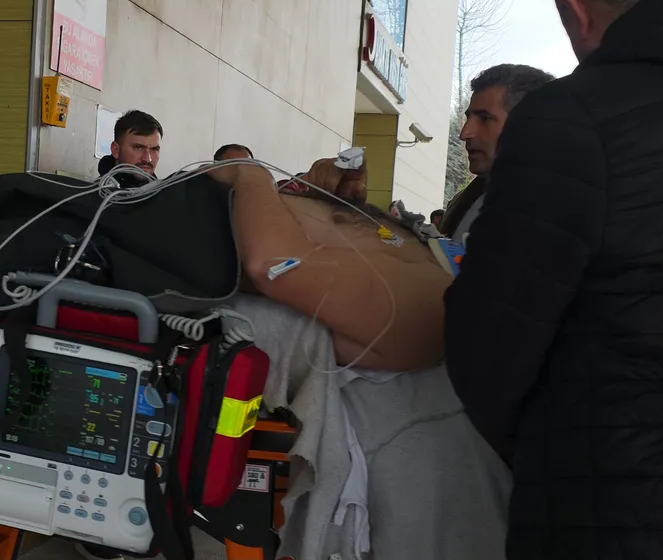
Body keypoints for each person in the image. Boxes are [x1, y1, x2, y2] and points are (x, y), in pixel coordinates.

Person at [445, 0, 663, 558]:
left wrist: (545, 450)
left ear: (574, 10)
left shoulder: (572, 119)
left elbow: (489, 344)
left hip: (612, 503)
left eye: (484, 118)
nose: (467, 133)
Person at [209, 158, 511, 559]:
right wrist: (257, 176)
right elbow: (274, 264)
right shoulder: (423, 297)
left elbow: (276, 262)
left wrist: (259, 178)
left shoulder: (426, 295)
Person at [439, 64, 554, 240]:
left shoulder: (554, 211)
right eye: (469, 118)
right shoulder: (469, 197)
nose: (465, 133)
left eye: (485, 119)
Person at [96, 110, 163, 185]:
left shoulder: (163, 191)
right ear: (115, 150)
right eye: (138, 148)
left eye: (154, 149)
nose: (147, 159)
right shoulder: (94, 191)